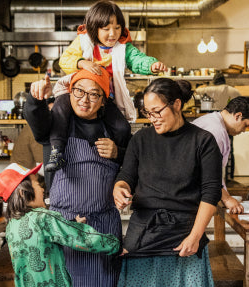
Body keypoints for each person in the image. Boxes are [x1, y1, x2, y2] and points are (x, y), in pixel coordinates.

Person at [105, 78, 226, 287]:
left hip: (185, 232)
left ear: (177, 105)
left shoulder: (203, 141)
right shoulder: (141, 140)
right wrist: (120, 190)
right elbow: (125, 176)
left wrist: (196, 235)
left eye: (158, 111)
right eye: (148, 113)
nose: (152, 118)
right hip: (144, 231)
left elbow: (211, 192)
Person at [24, 68, 131, 287]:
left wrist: (119, 153)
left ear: (104, 99)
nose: (85, 99)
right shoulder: (55, 123)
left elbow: (135, 162)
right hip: (64, 224)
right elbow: (35, 118)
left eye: (94, 93)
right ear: (69, 93)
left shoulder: (115, 128)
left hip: (103, 222)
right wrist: (34, 98)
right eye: (78, 92)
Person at [45, 0, 166, 172]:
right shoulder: (83, 41)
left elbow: (137, 59)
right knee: (59, 111)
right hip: (77, 93)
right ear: (94, 28)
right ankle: (57, 151)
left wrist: (151, 65)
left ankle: (120, 162)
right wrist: (81, 63)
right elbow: (65, 60)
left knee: (122, 128)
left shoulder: (123, 47)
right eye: (106, 28)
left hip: (104, 97)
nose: (113, 34)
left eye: (117, 28)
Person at [192, 96, 249, 214]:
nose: (244, 130)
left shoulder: (213, 120)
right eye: (245, 125)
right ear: (238, 116)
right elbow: (206, 172)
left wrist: (225, 195)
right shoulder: (216, 131)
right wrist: (227, 198)